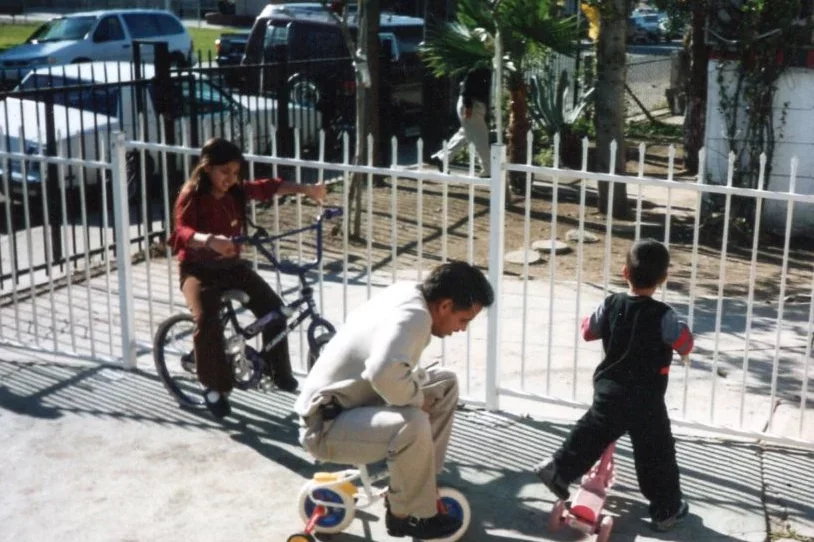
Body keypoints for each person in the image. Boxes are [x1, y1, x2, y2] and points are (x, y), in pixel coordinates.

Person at [294, 261, 494, 540]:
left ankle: (420, 487)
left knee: (444, 383)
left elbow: (385, 370)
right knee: (411, 423)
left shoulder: (410, 293)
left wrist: (416, 396)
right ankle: (407, 515)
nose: (462, 329)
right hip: (325, 425)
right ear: (445, 306)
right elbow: (382, 372)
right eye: (464, 320)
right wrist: (416, 399)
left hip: (352, 402)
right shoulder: (416, 316)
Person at [534, 238, 694, 533]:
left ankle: (557, 469)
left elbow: (587, 331)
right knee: (656, 453)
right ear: (663, 279)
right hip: (645, 399)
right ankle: (666, 509)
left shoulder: (611, 304)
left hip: (610, 391)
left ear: (624, 272)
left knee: (590, 433)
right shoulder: (665, 316)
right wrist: (683, 342)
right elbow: (685, 342)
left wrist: (598, 322)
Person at [169, 138, 326, 419]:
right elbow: (181, 232)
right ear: (207, 168)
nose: (231, 179)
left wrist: (306, 189)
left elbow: (267, 187)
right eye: (224, 172)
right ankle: (214, 388)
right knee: (208, 320)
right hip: (198, 271)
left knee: (275, 311)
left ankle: (277, 373)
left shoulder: (235, 192)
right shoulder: (191, 195)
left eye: (235, 172)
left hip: (232, 267)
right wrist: (209, 241)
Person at [429, 65, 492, 176]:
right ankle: (487, 170)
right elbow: (467, 85)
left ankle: (442, 157)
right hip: (473, 105)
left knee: (465, 134)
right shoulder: (480, 67)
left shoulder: (483, 66)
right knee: (481, 138)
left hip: (473, 105)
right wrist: (468, 106)